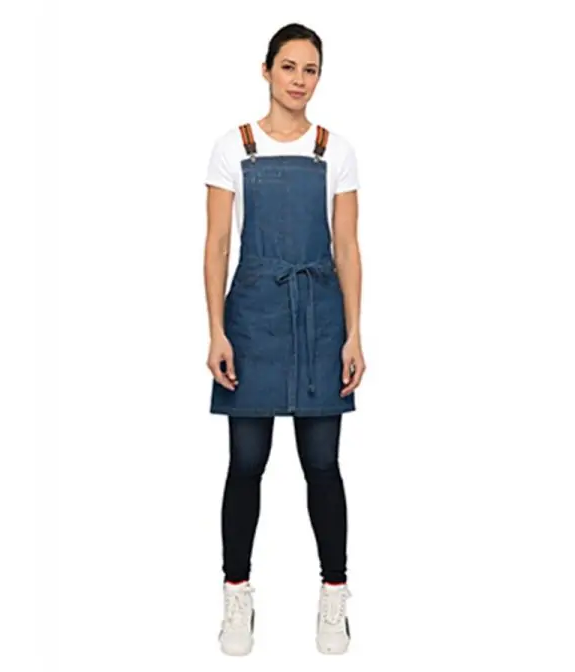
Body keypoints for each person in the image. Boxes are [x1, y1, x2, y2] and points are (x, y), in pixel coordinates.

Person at [202, 22, 366, 656]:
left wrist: (353, 334)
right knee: (246, 463)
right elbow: (218, 244)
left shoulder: (335, 151)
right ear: (266, 69)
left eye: (311, 69)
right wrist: (216, 330)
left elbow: (347, 248)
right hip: (252, 317)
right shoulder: (232, 148)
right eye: (290, 66)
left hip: (320, 317)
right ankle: (236, 596)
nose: (300, 80)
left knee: (322, 465)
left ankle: (334, 596)